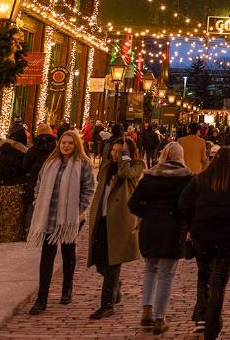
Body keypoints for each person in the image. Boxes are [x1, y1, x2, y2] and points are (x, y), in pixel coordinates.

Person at [179, 147, 230, 339]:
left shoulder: (199, 180)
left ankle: (202, 318)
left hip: (202, 235)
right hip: (227, 237)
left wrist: (192, 223)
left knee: (204, 276)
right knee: (218, 283)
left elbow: (183, 205)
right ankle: (211, 328)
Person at [128, 142, 194, 334]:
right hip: (173, 229)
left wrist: (147, 213)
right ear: (181, 156)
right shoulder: (187, 178)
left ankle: (146, 310)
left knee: (150, 269)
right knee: (166, 275)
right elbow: (188, 207)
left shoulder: (149, 177)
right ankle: (159, 317)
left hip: (150, 227)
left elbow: (132, 204)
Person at [26, 130, 95, 315]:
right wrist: (37, 201)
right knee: (46, 257)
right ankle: (42, 298)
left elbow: (89, 190)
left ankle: (67, 289)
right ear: (59, 144)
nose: (66, 146)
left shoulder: (83, 164)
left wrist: (78, 210)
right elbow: (39, 184)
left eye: (70, 143)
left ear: (76, 145)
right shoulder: (50, 163)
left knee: (68, 253)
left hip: (70, 219)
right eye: (63, 143)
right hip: (49, 215)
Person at [88, 137, 144, 320]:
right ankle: (115, 285)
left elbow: (126, 173)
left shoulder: (137, 165)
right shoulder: (106, 167)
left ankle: (107, 305)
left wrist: (124, 158)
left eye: (120, 151)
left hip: (120, 221)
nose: (115, 154)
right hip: (102, 219)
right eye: (113, 150)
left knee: (113, 263)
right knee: (99, 261)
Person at [23, 123, 59, 231]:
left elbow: (25, 166)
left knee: (31, 203)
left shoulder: (32, 149)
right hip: (52, 180)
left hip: (34, 179)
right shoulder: (56, 149)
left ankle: (29, 229)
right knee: (50, 204)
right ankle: (47, 228)